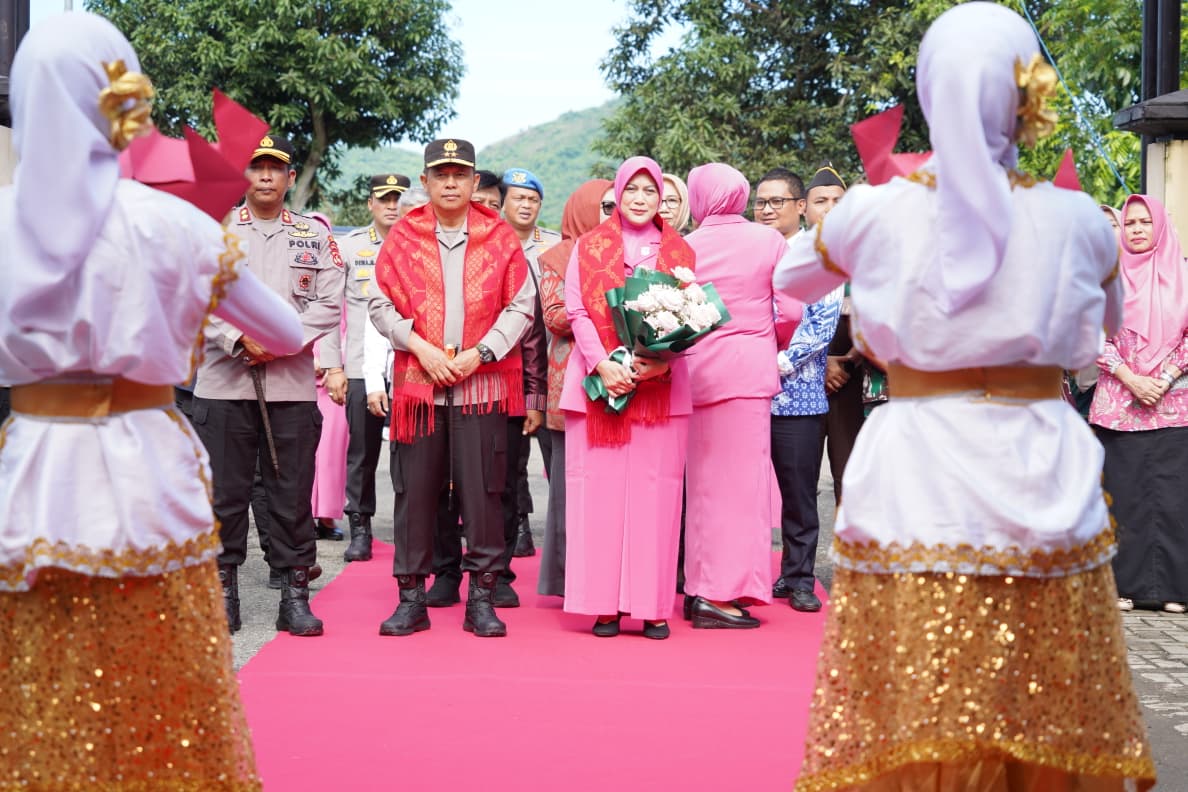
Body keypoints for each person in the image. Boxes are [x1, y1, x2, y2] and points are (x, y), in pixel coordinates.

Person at [775, 4, 1154, 788]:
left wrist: (875, 225)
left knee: (924, 675)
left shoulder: (875, 210)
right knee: (1041, 682)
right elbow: (1111, 323)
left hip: (919, 459)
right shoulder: (1079, 218)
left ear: (930, 91)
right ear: (1026, 94)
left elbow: (792, 277)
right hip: (1039, 456)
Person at [0, 12, 304, 788]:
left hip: (34, 463)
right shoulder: (172, 223)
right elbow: (286, 329)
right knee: (158, 673)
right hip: (144, 459)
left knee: (38, 677)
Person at [369, 138, 535, 638]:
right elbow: (379, 303)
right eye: (440, 174)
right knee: (414, 494)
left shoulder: (500, 236)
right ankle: (411, 600)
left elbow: (521, 306)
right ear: (424, 181)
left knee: (484, 494)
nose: (449, 183)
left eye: (459, 174)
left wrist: (479, 354)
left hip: (481, 387)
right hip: (419, 389)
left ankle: (481, 600)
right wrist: (419, 347)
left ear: (473, 180)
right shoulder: (404, 235)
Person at [193, 133, 346, 638]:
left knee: (291, 495)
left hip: (290, 388)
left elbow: (330, 301)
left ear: (289, 176)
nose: (264, 175)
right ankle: (223, 596)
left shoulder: (313, 235)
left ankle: (294, 597)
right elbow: (195, 293)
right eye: (256, 166)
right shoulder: (213, 231)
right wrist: (238, 338)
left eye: (274, 167)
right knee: (224, 496)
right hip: (223, 386)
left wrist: (279, 341)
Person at [561, 156, 695, 640]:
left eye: (650, 191)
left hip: (660, 389)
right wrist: (602, 364)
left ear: (662, 198)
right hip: (599, 385)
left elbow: (694, 315)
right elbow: (576, 309)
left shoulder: (681, 251)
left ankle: (652, 606)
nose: (640, 199)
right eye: (632, 190)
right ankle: (604, 605)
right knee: (598, 498)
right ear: (618, 194)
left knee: (655, 498)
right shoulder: (589, 245)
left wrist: (664, 362)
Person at [681, 163, 784, 628]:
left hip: (697, 375)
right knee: (743, 492)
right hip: (746, 375)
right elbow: (793, 308)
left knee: (704, 489)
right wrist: (768, 337)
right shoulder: (768, 240)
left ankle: (700, 588)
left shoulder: (686, 245)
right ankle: (722, 595)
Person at [1091, 194, 1188, 615]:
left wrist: (1163, 379)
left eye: (1145, 222)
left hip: (1174, 404)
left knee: (1174, 499)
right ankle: (1123, 586)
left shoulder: (1184, 276)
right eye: (1129, 223)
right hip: (1119, 406)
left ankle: (1174, 590)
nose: (1136, 229)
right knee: (1124, 497)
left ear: (1160, 226)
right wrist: (1131, 378)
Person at [325, 172, 411, 563]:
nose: (392, 206)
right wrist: (334, 367)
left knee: (409, 453)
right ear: (370, 204)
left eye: (397, 199)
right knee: (361, 453)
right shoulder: (350, 246)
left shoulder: (417, 244)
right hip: (361, 367)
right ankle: (360, 527)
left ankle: (410, 527)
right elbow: (331, 310)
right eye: (385, 199)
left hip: (409, 365)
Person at [536, 178, 613, 597]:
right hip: (573, 382)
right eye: (605, 207)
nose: (614, 215)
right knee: (571, 487)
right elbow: (555, 316)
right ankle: (571, 578)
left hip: (623, 380)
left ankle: (611, 575)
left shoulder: (626, 251)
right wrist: (610, 299)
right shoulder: (558, 256)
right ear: (583, 209)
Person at [502, 167, 559, 556]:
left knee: (555, 450)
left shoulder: (554, 245)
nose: (526, 205)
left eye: (533, 199)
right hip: (509, 362)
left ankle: (561, 526)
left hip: (552, 362)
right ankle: (520, 523)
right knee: (514, 453)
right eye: (519, 198)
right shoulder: (492, 244)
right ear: (504, 203)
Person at [806, 165, 862, 505]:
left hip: (852, 378)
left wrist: (849, 362)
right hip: (801, 380)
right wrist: (820, 362)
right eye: (821, 201)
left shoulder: (865, 257)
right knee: (798, 478)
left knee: (851, 475)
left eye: (838, 201)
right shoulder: (791, 256)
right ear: (804, 208)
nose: (830, 208)